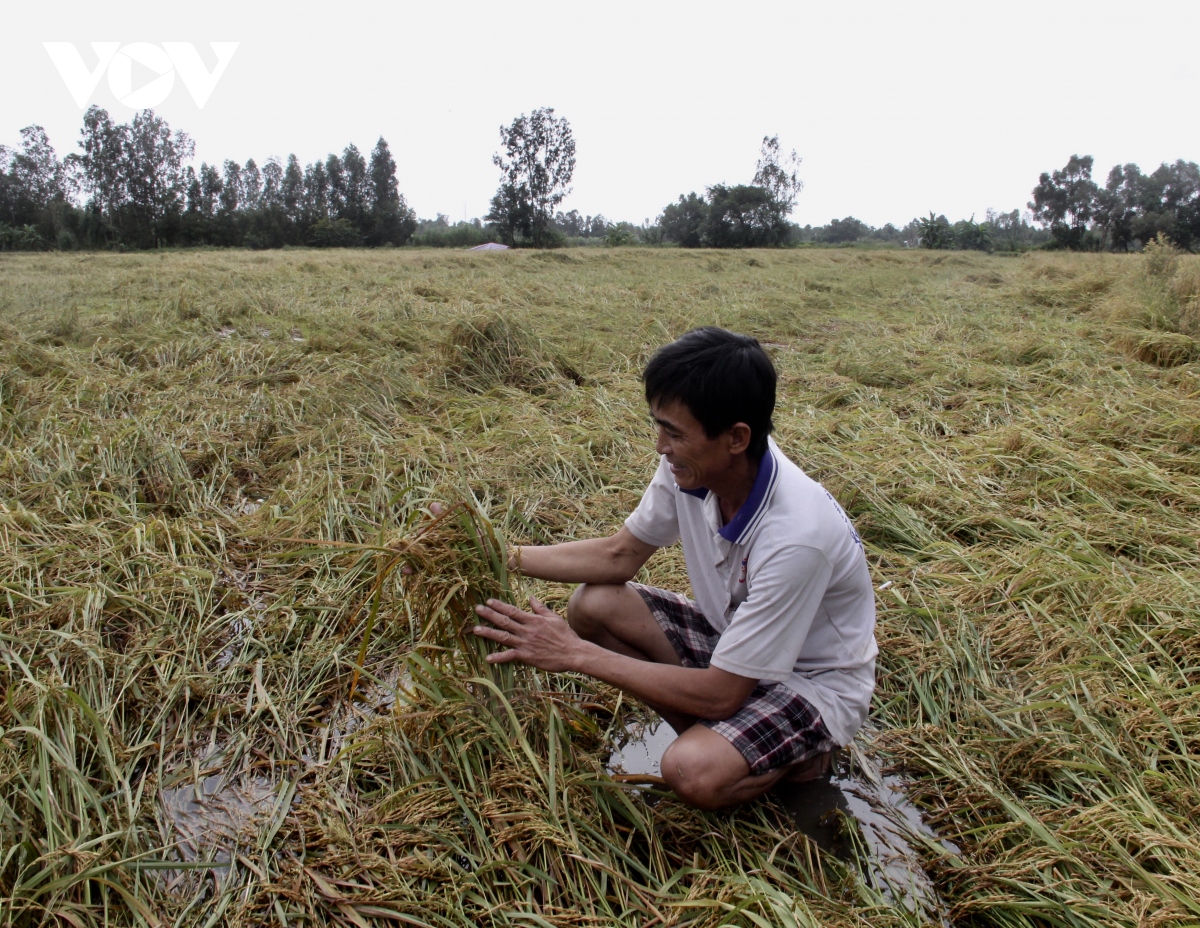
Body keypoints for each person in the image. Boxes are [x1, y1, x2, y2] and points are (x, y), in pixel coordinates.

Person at [472, 327, 877, 810]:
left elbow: (724, 694)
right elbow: (617, 555)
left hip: (812, 681)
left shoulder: (797, 536)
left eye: (675, 432)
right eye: (659, 426)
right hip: (736, 641)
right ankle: (731, 743)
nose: (661, 446)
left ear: (736, 438)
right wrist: (495, 551)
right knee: (595, 602)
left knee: (691, 770)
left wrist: (575, 654)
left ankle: (796, 762)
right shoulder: (691, 469)